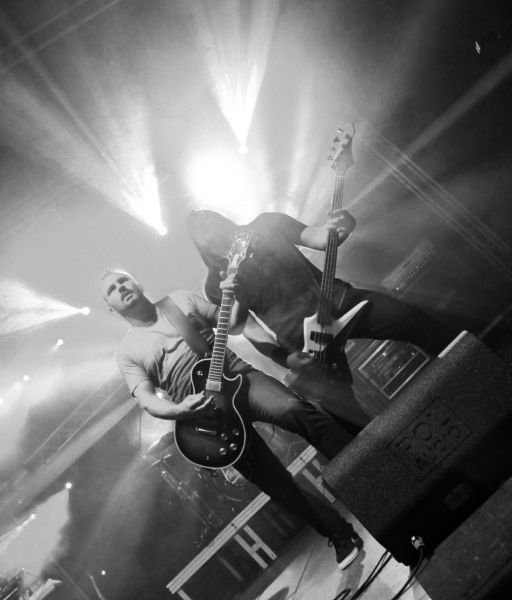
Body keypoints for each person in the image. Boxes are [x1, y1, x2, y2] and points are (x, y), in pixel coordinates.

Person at [101, 269, 364, 569]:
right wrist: (179, 409)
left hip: (239, 378)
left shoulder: (179, 300)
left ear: (138, 283)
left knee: (294, 409)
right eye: (112, 289)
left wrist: (236, 295)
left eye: (123, 280)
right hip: (206, 418)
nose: (121, 287)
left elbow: (234, 323)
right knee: (276, 484)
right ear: (110, 307)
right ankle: (338, 533)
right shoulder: (127, 352)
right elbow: (147, 399)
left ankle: (366, 471)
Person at [187, 209, 457, 430]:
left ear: (222, 218)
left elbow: (320, 239)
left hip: (338, 300)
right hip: (303, 341)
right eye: (201, 229)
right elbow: (245, 328)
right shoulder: (216, 283)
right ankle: (387, 465)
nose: (209, 227)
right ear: (200, 245)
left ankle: (469, 364)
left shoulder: (266, 223)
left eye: (210, 219)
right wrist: (284, 358)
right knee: (348, 416)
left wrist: (344, 225)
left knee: (409, 318)